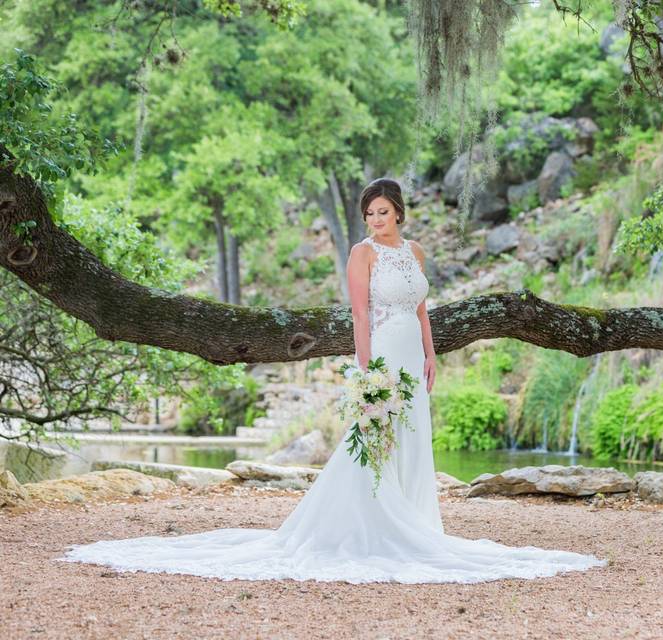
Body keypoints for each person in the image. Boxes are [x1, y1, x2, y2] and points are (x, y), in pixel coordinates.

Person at [55, 178, 607, 584]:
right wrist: (367, 371)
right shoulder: (361, 255)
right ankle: (367, 519)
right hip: (383, 352)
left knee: (412, 436)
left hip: (414, 351)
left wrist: (432, 354)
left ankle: (415, 518)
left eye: (384, 212)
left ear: (400, 214)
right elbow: (361, 317)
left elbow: (421, 310)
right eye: (370, 213)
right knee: (374, 435)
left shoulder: (414, 252)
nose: (376, 221)